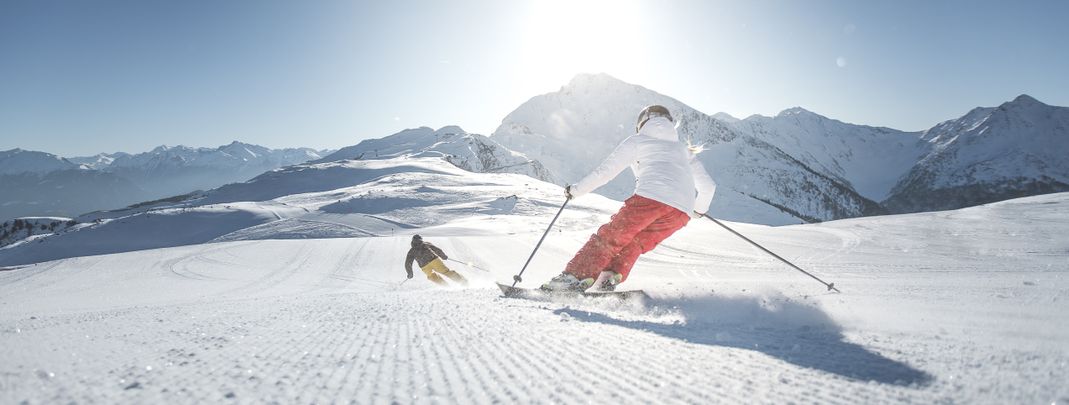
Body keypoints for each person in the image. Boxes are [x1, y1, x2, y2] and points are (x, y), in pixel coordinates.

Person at [541, 105, 717, 292]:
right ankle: (609, 278)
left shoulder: (638, 141)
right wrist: (698, 209)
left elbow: (605, 172)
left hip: (650, 200)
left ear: (641, 123)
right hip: (681, 213)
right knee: (637, 243)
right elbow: (708, 186)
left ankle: (573, 278)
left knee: (610, 238)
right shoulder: (683, 150)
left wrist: (576, 190)